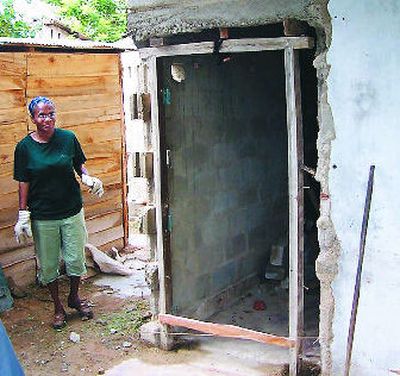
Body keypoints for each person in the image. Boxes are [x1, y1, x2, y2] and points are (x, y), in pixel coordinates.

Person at [13, 96, 104, 329]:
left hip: (71, 210)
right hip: (44, 216)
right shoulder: (24, 148)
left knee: (75, 259)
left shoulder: (68, 139)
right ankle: (57, 307)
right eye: (42, 115)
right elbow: (23, 181)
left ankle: (74, 297)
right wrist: (23, 213)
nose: (48, 119)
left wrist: (86, 177)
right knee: (49, 264)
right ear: (32, 118)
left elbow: (77, 163)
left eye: (51, 113)